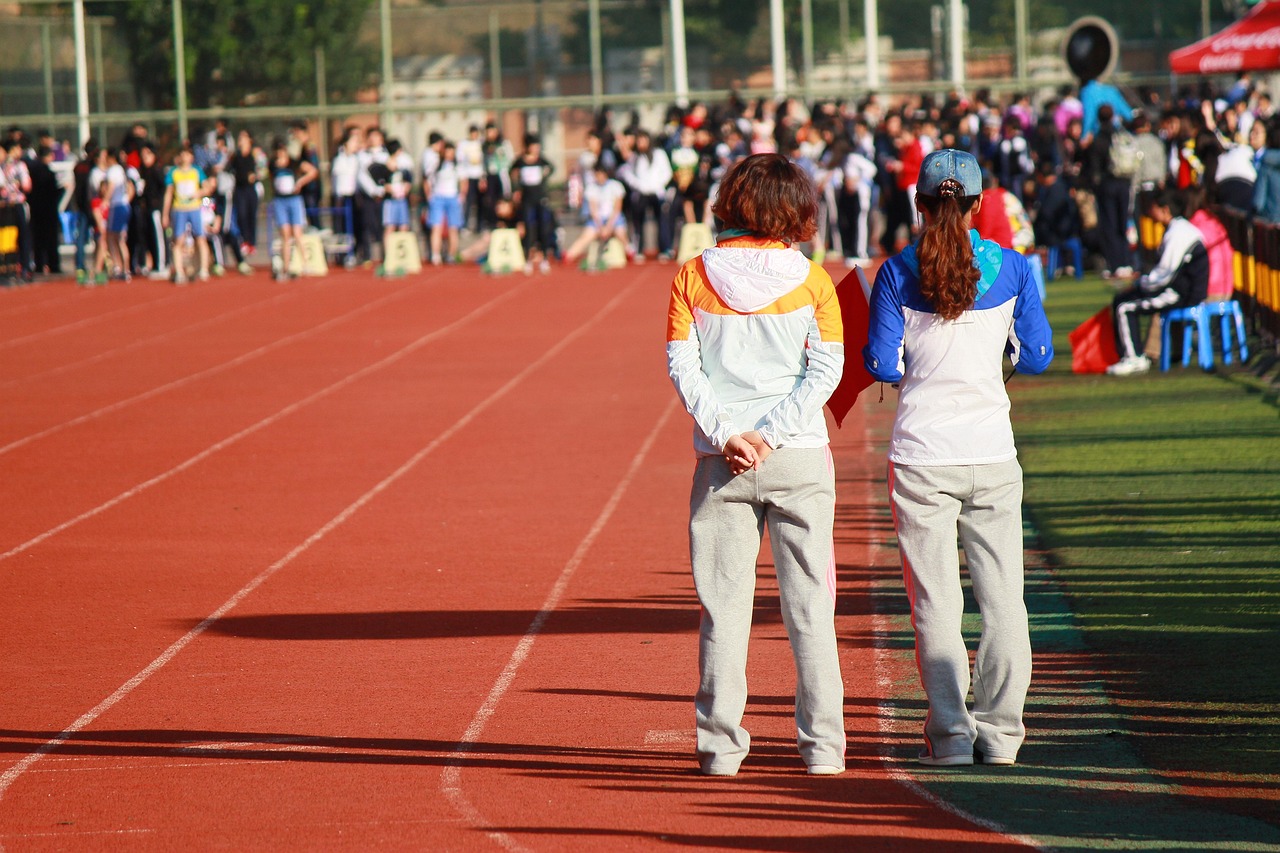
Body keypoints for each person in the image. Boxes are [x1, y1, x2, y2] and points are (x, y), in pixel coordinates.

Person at [863, 148, 1053, 767]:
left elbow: (880, 362)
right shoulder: (1013, 268)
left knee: (936, 604)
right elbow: (1038, 355)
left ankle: (949, 737)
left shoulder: (896, 271)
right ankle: (1000, 736)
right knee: (1004, 600)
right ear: (978, 205)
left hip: (921, 455)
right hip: (991, 452)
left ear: (918, 203)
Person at [665, 152, 847, 777]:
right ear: (795, 207)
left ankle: (719, 749)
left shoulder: (692, 275)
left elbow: (682, 367)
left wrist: (729, 435)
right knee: (811, 609)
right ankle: (823, 748)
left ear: (731, 201)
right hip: (798, 456)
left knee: (724, 610)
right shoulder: (814, 280)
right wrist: (769, 436)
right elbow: (825, 372)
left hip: (723, 464)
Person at [1107, 190, 1209, 376]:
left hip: (1181, 294)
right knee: (1122, 299)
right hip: (1179, 289)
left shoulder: (1179, 233)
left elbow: (1164, 274)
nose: (1149, 211)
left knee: (1124, 307)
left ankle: (1133, 357)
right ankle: (1134, 354)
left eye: (1153, 207)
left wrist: (1140, 284)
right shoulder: (1178, 229)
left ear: (1165, 209)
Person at [163, 144, 214, 284]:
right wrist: (165, 214)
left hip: (194, 209)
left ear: (191, 157)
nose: (185, 157)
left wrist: (199, 193)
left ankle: (203, 269)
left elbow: (207, 189)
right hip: (179, 209)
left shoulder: (197, 171)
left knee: (200, 238)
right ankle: (179, 272)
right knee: (178, 240)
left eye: (187, 154)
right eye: (182, 154)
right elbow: (169, 193)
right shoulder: (174, 172)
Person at [268, 138, 318, 281]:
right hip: (280, 200)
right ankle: (286, 267)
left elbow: (312, 171)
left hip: (294, 199)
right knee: (285, 235)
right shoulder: (272, 165)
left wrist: (300, 182)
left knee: (297, 233)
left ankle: (306, 264)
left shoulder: (294, 162)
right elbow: (271, 180)